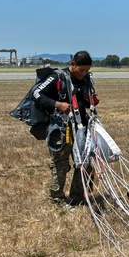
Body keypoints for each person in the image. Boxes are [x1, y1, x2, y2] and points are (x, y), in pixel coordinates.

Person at [31, 51, 99, 204]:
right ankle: (57, 199)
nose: (84, 74)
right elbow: (35, 93)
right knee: (60, 164)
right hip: (61, 127)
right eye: (81, 70)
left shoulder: (86, 79)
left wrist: (93, 101)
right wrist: (57, 104)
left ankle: (77, 197)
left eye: (87, 70)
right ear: (73, 64)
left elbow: (85, 102)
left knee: (85, 161)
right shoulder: (57, 77)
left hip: (81, 126)